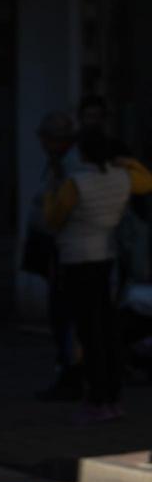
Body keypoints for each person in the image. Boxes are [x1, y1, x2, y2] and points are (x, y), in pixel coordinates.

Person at [43, 127, 152, 424]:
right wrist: (126, 162)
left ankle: (97, 398)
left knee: (88, 333)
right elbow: (147, 180)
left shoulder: (76, 184)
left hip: (77, 259)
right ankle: (112, 398)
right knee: (107, 330)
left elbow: (53, 217)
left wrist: (51, 192)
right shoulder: (123, 178)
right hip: (106, 259)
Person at [26, 111, 84, 401]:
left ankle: (72, 374)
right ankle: (70, 371)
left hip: (66, 250)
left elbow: (56, 214)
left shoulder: (69, 168)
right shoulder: (59, 164)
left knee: (67, 317)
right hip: (60, 249)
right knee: (64, 316)